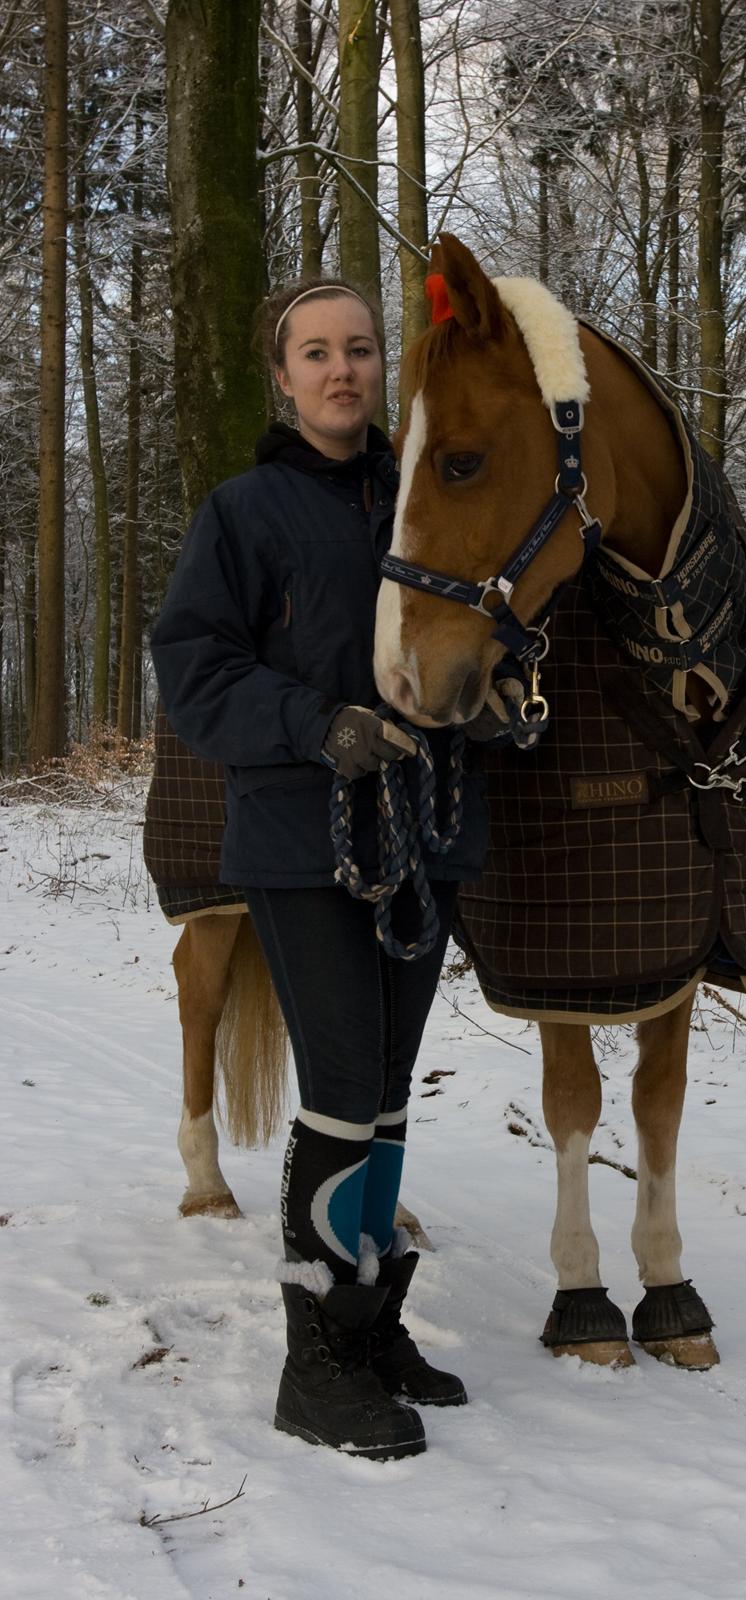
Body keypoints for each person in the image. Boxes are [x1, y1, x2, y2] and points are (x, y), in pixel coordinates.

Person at [151, 278, 491, 1462]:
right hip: (304, 841)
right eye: (316, 352)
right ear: (283, 377)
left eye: (357, 349)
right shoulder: (240, 514)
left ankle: (368, 1322)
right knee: (343, 1085)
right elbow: (194, 669)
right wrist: (315, 723)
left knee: (390, 1088)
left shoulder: (427, 495)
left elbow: (469, 637)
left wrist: (493, 700)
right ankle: (314, 1363)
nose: (341, 369)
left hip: (429, 834)